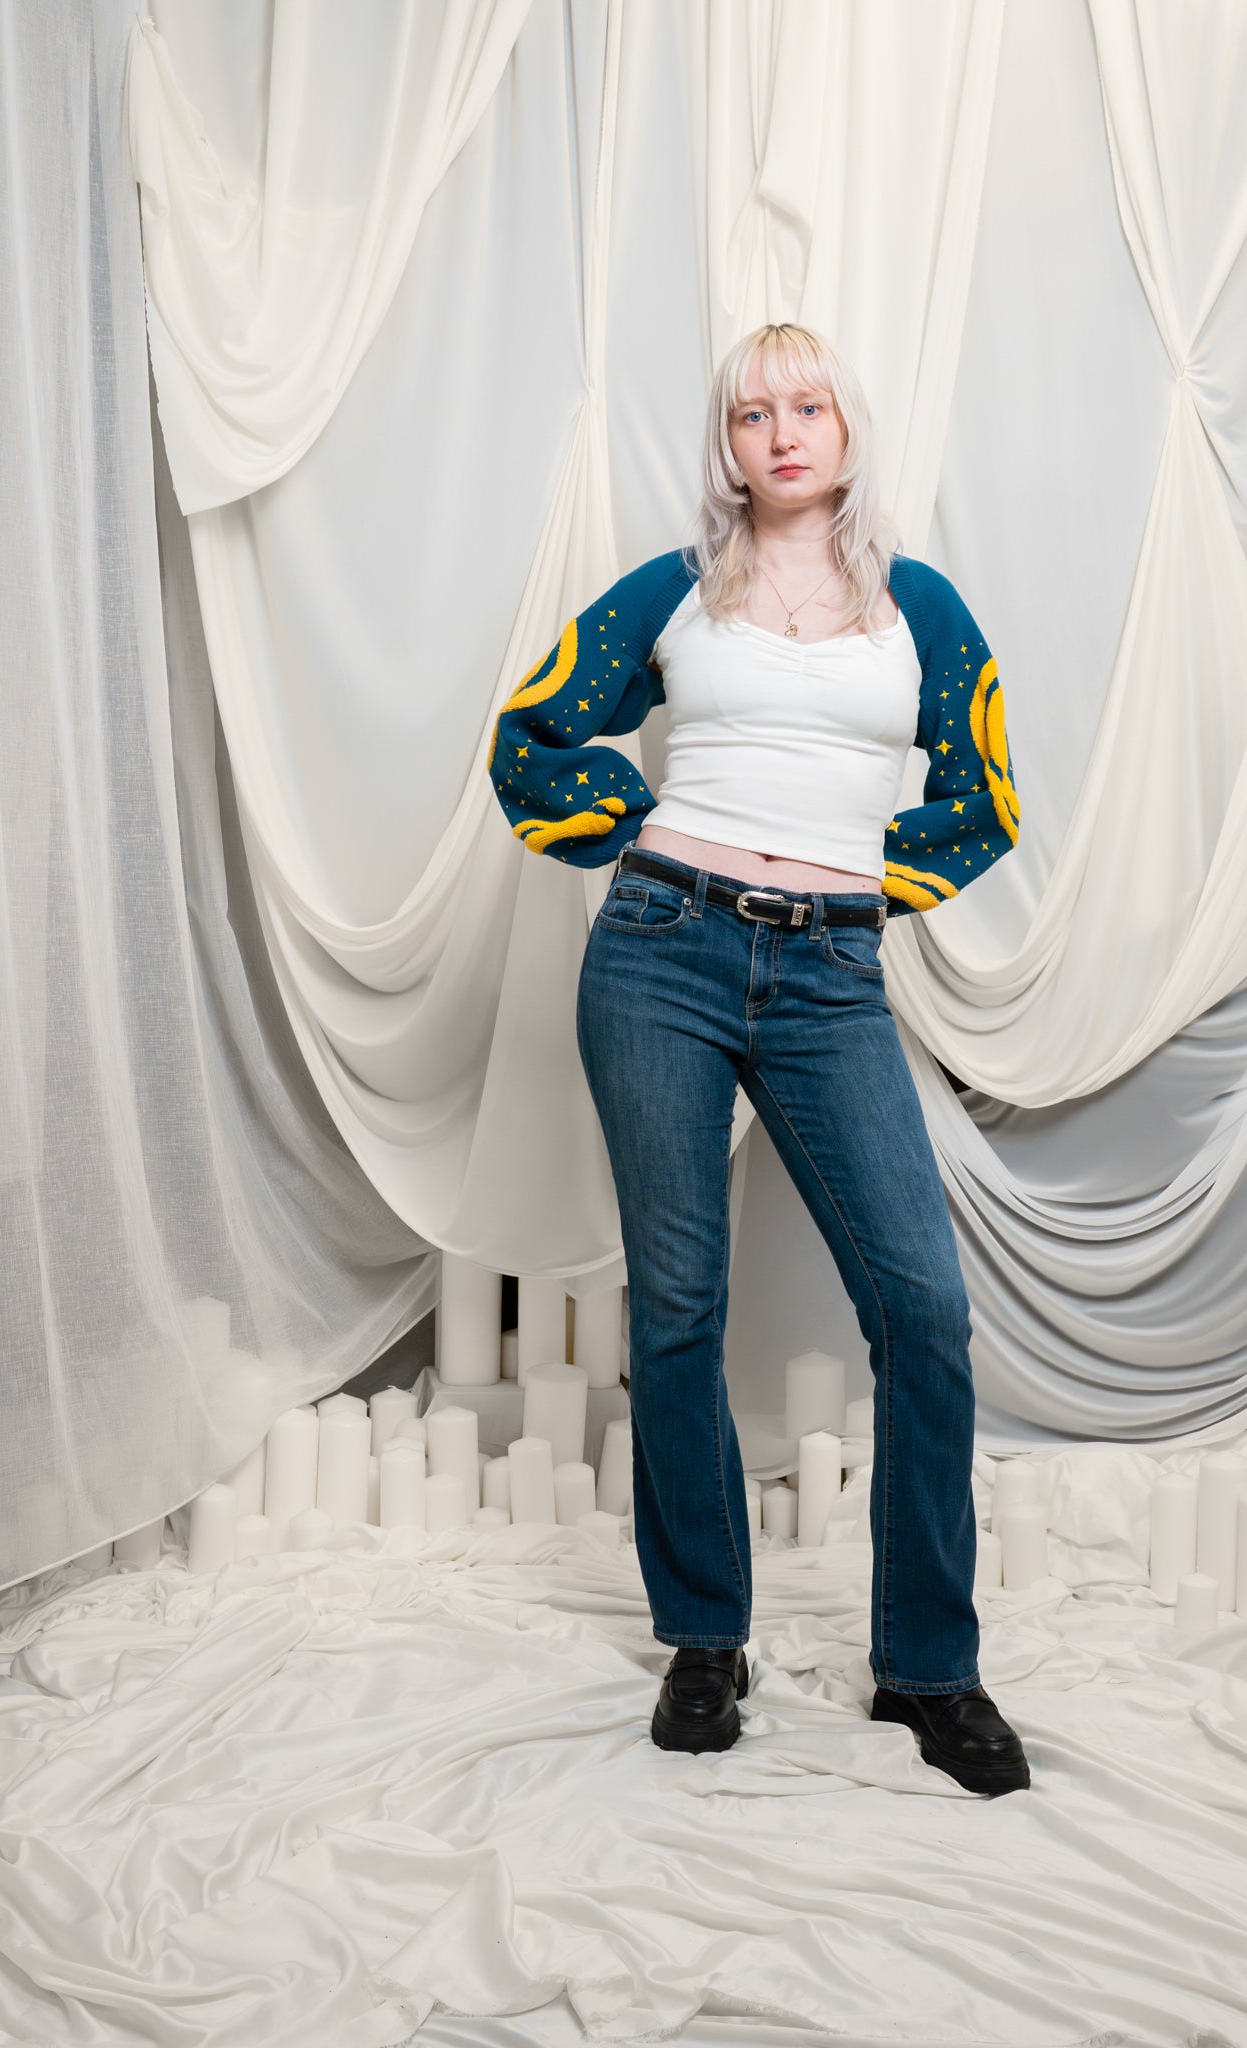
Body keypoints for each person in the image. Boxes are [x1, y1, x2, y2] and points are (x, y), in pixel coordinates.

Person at [486, 321, 1028, 1798]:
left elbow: (984, 797)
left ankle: (928, 1665)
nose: (781, 433)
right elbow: (533, 735)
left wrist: (864, 883)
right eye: (750, 415)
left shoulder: (918, 607)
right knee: (678, 1302)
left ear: (848, 427)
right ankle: (704, 1639)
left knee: (923, 1308)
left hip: (830, 975)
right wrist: (636, 841)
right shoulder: (677, 591)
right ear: (725, 445)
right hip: (660, 950)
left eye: (807, 406)